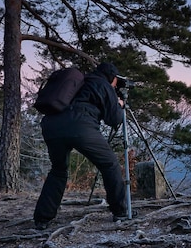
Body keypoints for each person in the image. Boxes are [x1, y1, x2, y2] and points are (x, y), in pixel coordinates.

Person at [33, 62, 129, 230]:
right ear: (112, 78)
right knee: (109, 164)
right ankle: (120, 211)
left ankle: (42, 219)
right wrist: (119, 105)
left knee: (58, 170)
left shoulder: (78, 82)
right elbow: (114, 120)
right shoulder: (103, 84)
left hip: (51, 126)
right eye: (116, 81)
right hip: (80, 127)